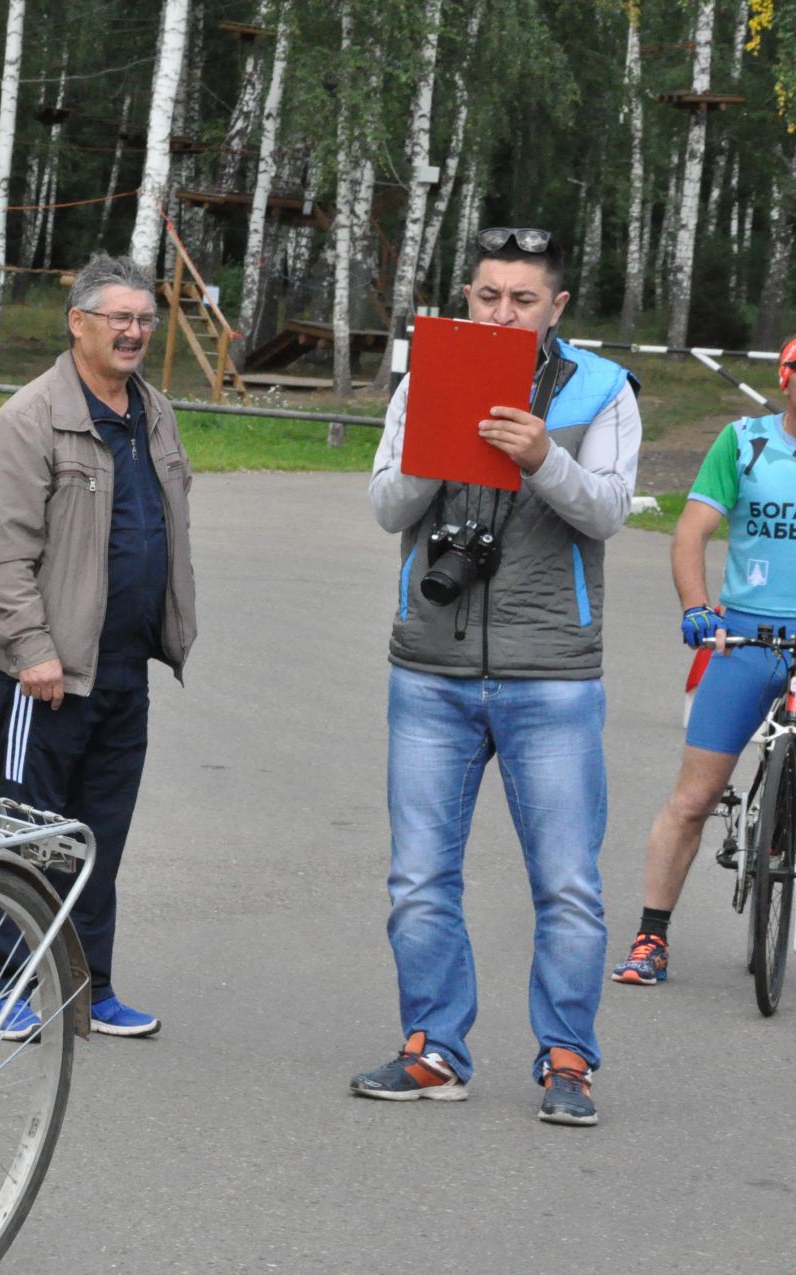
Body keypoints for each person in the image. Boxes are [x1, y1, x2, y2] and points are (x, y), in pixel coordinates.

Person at [350, 227, 640, 1127]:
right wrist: (438, 441)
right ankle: (435, 1048)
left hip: (550, 672)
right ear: (466, 296)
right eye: (485, 295)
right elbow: (385, 504)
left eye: (521, 299)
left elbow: (611, 509)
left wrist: (540, 457)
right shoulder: (425, 372)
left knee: (567, 882)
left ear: (555, 309)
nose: (501, 311)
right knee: (419, 879)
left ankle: (567, 1058)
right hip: (431, 667)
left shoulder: (603, 390)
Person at [0, 252, 196, 1039]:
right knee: (26, 828)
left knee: (98, 836)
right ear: (79, 323)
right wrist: (33, 647)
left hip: (124, 668)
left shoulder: (154, 412)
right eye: (118, 318)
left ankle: (86, 985)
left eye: (143, 318)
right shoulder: (29, 419)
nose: (134, 332)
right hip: (50, 675)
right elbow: (3, 554)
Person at [610, 335, 796, 987]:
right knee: (693, 797)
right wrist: (698, 607)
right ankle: (650, 937)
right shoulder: (744, 443)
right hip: (746, 636)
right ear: (784, 379)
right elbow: (691, 530)